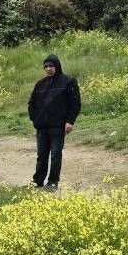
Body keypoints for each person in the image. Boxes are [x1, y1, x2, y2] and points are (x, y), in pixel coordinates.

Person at [27, 54, 81, 190]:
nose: (48, 69)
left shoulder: (68, 81)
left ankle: (52, 182)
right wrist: (35, 119)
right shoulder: (40, 84)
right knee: (41, 155)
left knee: (56, 155)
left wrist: (70, 121)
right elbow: (31, 103)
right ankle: (38, 181)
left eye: (51, 66)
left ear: (57, 66)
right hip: (42, 126)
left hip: (58, 126)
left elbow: (75, 103)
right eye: (46, 66)